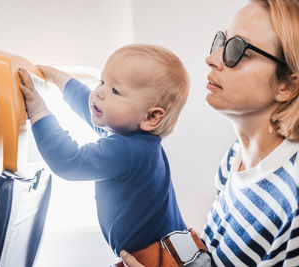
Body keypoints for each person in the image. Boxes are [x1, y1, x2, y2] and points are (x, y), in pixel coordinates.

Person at [119, 0, 299, 266]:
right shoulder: (234, 158)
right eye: (221, 42)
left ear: (286, 85)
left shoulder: (293, 196)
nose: (212, 59)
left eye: (237, 49)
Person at [18, 44, 208, 264]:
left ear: (151, 117)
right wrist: (60, 79)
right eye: (101, 82)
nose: (99, 92)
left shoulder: (129, 150)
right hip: (177, 254)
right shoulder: (138, 141)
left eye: (115, 91)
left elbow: (70, 161)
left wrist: (39, 112)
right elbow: (89, 106)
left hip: (165, 261)